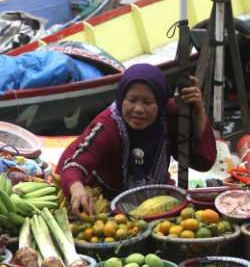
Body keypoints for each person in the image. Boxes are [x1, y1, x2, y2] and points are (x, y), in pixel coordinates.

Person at [56, 63, 217, 217]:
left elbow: (204, 161)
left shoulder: (168, 114)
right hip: (104, 198)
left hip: (155, 193)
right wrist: (77, 189)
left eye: (148, 102)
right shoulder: (108, 126)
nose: (139, 109)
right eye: (132, 100)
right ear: (121, 98)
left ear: (160, 102)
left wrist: (199, 109)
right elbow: (73, 166)